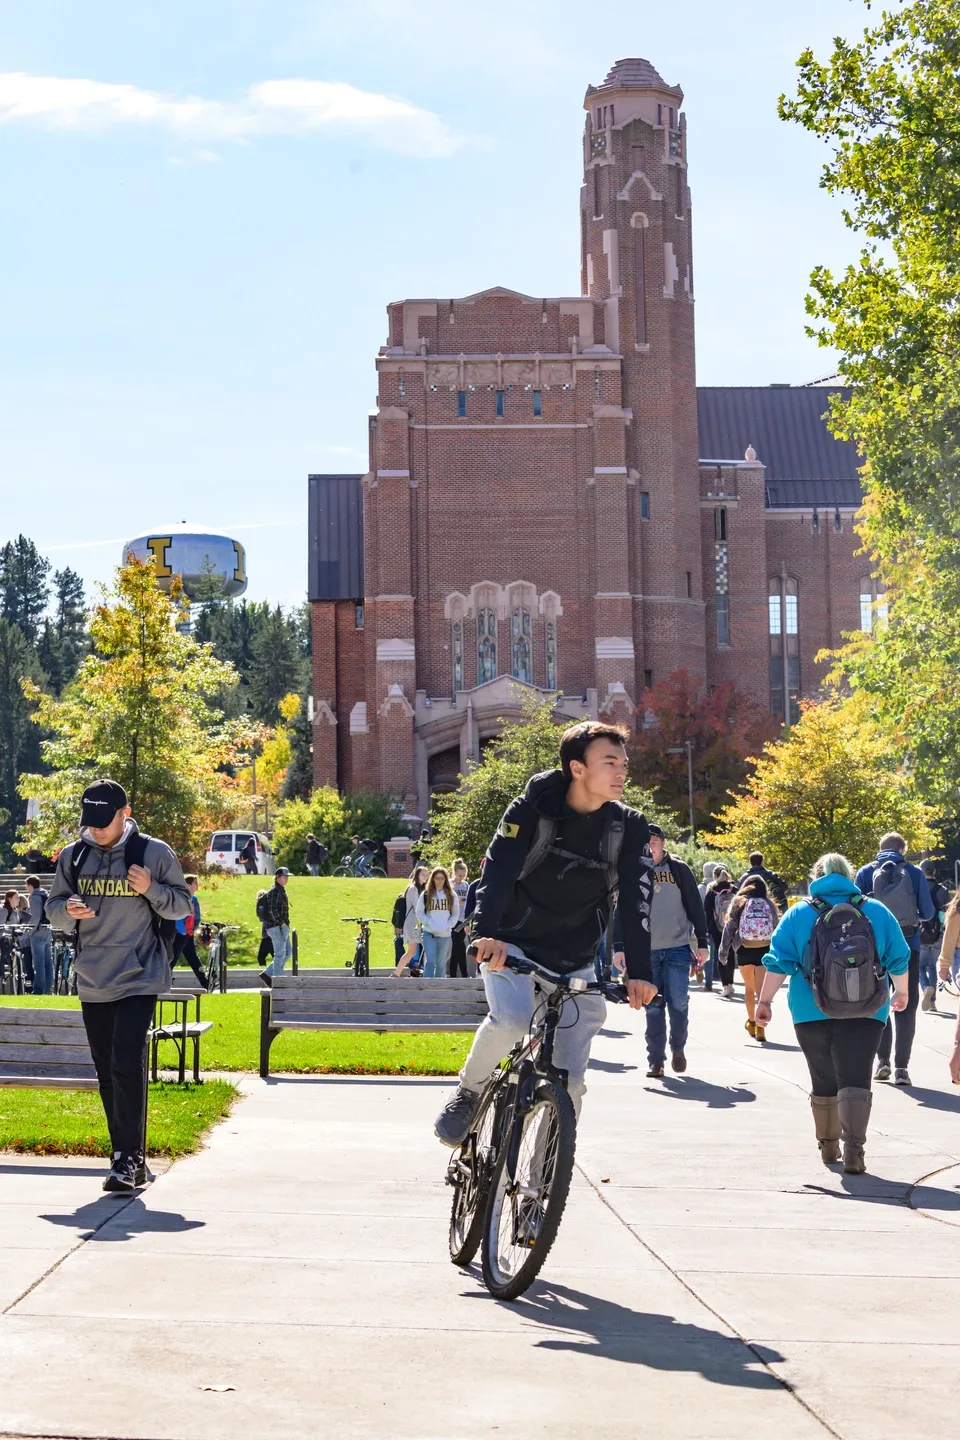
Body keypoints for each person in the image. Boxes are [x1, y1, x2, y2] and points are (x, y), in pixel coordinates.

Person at [433, 720, 657, 1147]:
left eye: (623, 763)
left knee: (570, 1085)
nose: (621, 772)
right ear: (577, 768)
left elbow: (636, 900)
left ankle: (540, 1187)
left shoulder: (628, 827)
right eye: (609, 762)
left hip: (576, 960)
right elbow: (496, 875)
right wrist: (486, 935)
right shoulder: (530, 810)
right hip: (512, 947)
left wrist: (640, 972)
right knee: (513, 1020)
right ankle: (469, 1090)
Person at [45, 778, 191, 1193]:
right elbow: (54, 908)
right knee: (107, 1070)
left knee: (126, 1059)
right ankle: (127, 1155)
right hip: (93, 977)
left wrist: (152, 889)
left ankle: (127, 1158)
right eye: (90, 822)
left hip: (138, 975)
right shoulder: (74, 857)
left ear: (124, 814)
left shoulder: (153, 853)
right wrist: (68, 910)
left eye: (104, 822)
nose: (96, 830)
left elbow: (182, 904)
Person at [757, 853, 910, 1174]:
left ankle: (828, 1148)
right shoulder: (876, 910)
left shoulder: (800, 912)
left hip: (810, 1010)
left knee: (822, 1076)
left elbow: (778, 960)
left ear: (817, 876)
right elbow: (898, 956)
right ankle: (854, 1151)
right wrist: (903, 991)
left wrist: (764, 1001)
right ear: (849, 875)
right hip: (868, 1009)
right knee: (857, 1078)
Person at [627, 824, 708, 1079]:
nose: (651, 845)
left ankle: (678, 1047)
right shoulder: (635, 870)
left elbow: (695, 905)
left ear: (663, 843)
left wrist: (703, 942)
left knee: (679, 1003)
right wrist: (619, 948)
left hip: (677, 949)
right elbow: (624, 910)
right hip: (646, 951)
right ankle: (656, 1061)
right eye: (646, 841)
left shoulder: (679, 869)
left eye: (654, 840)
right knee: (652, 1008)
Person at [855, 832, 935, 1086]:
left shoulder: (865, 872)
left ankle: (883, 1062)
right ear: (903, 849)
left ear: (880, 848)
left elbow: (856, 910)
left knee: (880, 1002)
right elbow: (929, 911)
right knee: (907, 1006)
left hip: (874, 950)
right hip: (908, 946)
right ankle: (902, 1068)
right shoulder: (914, 873)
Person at [718, 876, 779, 1041]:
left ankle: (751, 1022)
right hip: (764, 949)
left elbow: (730, 927)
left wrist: (723, 951)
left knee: (749, 989)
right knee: (761, 991)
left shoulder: (739, 902)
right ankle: (761, 1028)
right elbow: (776, 926)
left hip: (744, 948)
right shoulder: (768, 903)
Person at [919, 860, 951, 1012]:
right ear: (934, 872)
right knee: (932, 965)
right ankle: (932, 1002)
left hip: (920, 933)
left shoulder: (917, 889)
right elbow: (946, 916)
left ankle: (926, 988)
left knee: (920, 967)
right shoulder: (943, 890)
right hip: (937, 933)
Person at [416, 867, 460, 978]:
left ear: (446, 879)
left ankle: (439, 989)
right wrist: (428, 922)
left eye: (442, 878)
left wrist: (448, 925)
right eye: (437, 878)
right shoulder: (426, 894)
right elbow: (419, 912)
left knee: (441, 964)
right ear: (433, 879)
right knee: (430, 961)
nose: (439, 881)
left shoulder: (452, 895)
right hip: (429, 933)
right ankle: (427, 988)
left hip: (445, 934)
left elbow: (455, 914)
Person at [704, 864, 737, 998]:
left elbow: (707, 911)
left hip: (717, 928)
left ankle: (726, 986)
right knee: (731, 952)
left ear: (714, 876)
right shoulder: (734, 889)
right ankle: (731, 983)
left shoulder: (711, 890)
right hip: (732, 926)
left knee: (721, 953)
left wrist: (707, 930)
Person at [172, 874, 207, 988]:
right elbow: (176, 917)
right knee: (173, 957)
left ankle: (206, 983)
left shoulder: (194, 899)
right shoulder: (181, 898)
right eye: (195, 883)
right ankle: (164, 981)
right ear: (188, 885)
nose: (197, 885)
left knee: (192, 957)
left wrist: (193, 929)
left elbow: (196, 917)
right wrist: (182, 931)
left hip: (188, 933)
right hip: (180, 933)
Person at [258, 868, 291, 984]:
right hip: (276, 927)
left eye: (287, 877)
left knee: (288, 952)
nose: (286, 879)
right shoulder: (274, 891)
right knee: (280, 954)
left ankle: (267, 974)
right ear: (277, 877)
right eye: (284, 876)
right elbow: (272, 910)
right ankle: (278, 981)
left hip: (281, 927)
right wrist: (282, 923)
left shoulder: (281, 890)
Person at [395, 865, 428, 975]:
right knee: (425, 949)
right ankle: (430, 974)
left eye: (427, 875)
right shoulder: (413, 889)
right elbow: (417, 906)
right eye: (423, 874)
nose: (425, 877)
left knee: (412, 951)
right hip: (413, 923)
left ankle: (396, 974)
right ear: (417, 875)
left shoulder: (421, 889)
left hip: (416, 923)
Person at [25, 875, 53, 995]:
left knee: (39, 962)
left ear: (31, 885)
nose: (26, 888)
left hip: (38, 932)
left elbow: (35, 918)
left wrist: (28, 932)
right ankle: (49, 989)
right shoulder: (46, 894)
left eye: (26, 886)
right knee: (48, 962)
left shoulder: (35, 897)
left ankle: (38, 989)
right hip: (47, 930)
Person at [449, 859, 471, 977]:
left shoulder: (466, 885)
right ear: (454, 872)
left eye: (463, 875)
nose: (461, 877)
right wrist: (457, 901)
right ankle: (461, 973)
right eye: (459, 875)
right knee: (458, 945)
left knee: (459, 945)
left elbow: (469, 901)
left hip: (463, 919)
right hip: (452, 918)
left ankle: (460, 974)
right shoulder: (449, 884)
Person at [697, 862, 717, 990]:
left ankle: (699, 969)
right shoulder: (719, 887)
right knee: (714, 952)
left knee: (703, 950)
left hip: (702, 925)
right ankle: (712, 979)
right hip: (716, 925)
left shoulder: (700, 888)